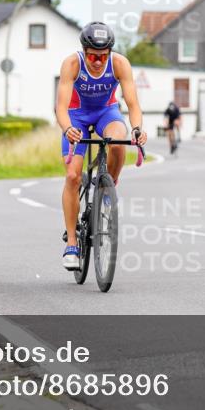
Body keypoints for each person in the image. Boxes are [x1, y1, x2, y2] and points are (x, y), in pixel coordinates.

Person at [55, 22, 147, 271]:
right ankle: (72, 243)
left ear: (109, 52)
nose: (97, 61)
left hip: (106, 111)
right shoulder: (72, 64)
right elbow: (61, 107)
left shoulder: (119, 64)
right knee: (73, 175)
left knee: (118, 141)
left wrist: (137, 128)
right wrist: (67, 128)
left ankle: (108, 186)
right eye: (92, 56)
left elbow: (133, 104)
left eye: (102, 56)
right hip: (76, 116)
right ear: (84, 51)